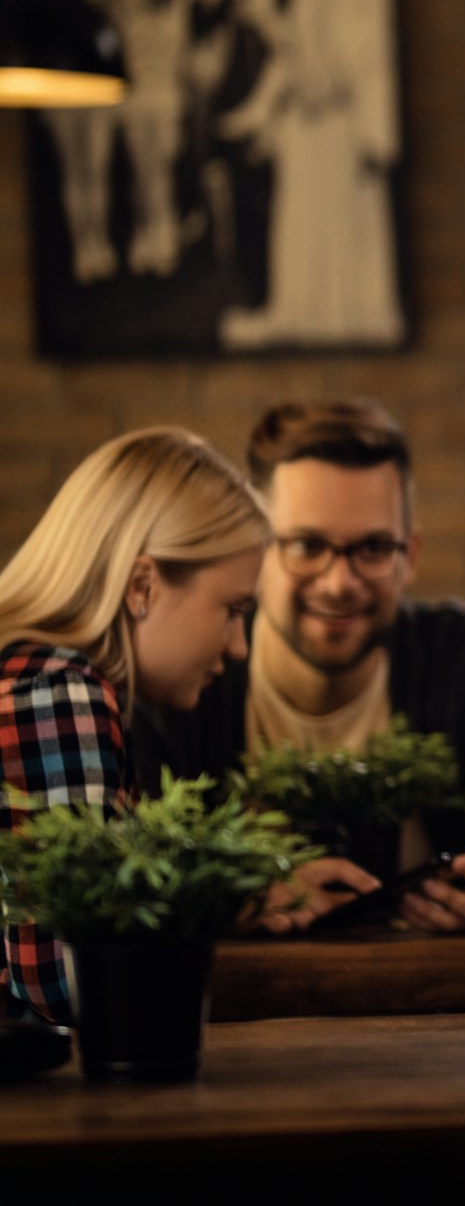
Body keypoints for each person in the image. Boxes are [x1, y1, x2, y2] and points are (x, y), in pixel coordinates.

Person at [134, 400, 465, 932]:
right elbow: (129, 862)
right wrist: (237, 895)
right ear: (255, 551)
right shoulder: (189, 670)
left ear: (412, 554)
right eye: (308, 546)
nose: (339, 583)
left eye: (374, 548)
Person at [3, 428, 271, 1022]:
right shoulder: (58, 692)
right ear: (142, 584)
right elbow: (68, 981)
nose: (239, 647)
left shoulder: (29, 675)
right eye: (233, 609)